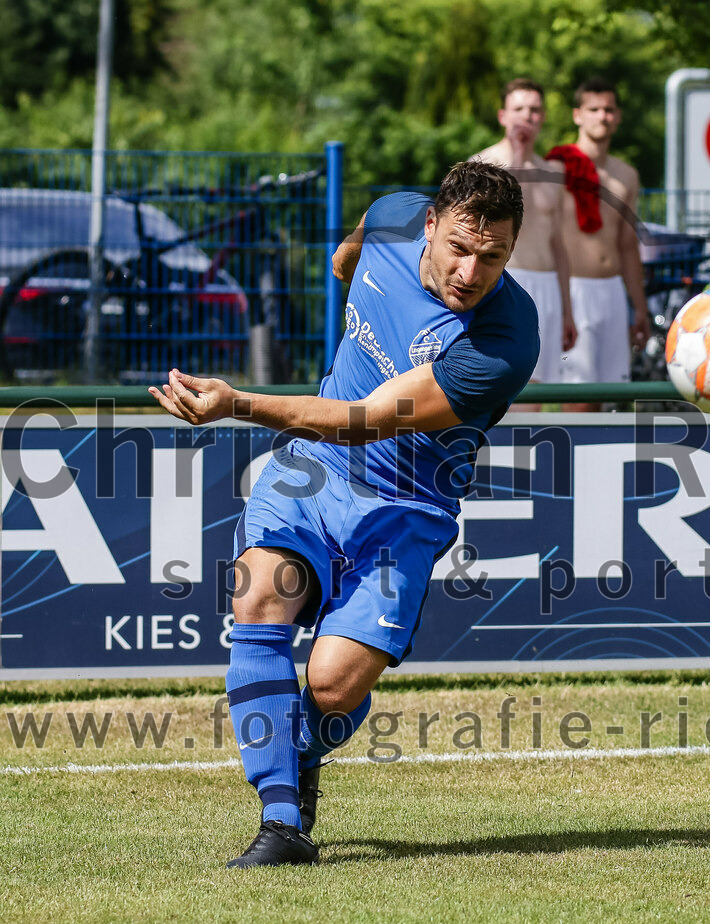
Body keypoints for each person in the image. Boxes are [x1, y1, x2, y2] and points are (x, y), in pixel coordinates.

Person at [148, 161, 538, 868]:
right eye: (459, 246)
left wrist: (236, 404)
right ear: (428, 224)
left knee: (332, 686)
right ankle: (282, 823)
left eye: (493, 256)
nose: (471, 271)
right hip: (312, 469)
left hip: (407, 506)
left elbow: (362, 421)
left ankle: (299, 750)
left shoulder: (504, 340)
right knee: (259, 592)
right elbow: (344, 257)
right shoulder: (391, 213)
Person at [548, 77, 650, 412]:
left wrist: (640, 307)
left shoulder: (627, 174)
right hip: (573, 289)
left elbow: (627, 246)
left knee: (613, 395)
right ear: (578, 115)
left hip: (612, 291)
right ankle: (568, 464)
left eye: (608, 109)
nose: (602, 116)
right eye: (594, 109)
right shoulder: (557, 167)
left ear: (618, 116)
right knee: (577, 395)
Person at [473, 78, 576, 409]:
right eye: (519, 109)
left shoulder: (553, 171)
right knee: (503, 385)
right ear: (503, 115)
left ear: (543, 116)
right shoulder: (482, 165)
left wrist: (567, 309)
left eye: (534, 110)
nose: (526, 117)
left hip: (547, 288)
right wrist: (516, 156)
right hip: (504, 282)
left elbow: (558, 243)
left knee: (538, 393)